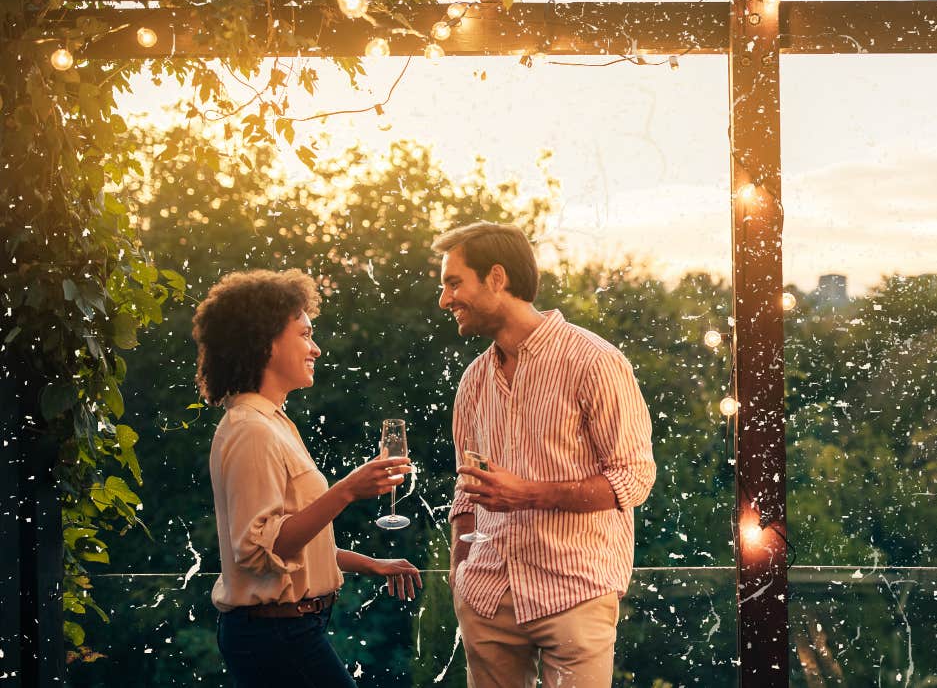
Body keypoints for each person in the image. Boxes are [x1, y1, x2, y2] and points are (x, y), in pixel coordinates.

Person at [435, 222, 656, 688]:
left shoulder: (595, 362)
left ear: (497, 277)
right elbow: (466, 490)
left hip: (575, 593)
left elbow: (633, 479)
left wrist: (529, 494)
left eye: (454, 283)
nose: (445, 300)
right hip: (487, 596)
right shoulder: (474, 381)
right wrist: (460, 575)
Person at [193, 269, 422, 688]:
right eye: (304, 335)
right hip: (276, 635)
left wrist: (370, 564)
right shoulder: (252, 430)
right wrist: (347, 490)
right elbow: (261, 551)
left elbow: (296, 547)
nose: (315, 348)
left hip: (286, 630)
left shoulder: (273, 423)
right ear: (264, 342)